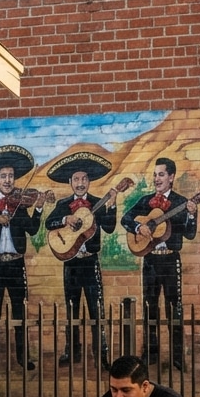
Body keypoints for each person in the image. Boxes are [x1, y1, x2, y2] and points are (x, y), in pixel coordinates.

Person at [122, 157, 199, 371]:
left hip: (170, 259)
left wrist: (192, 215)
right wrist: (139, 228)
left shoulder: (182, 202)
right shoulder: (146, 201)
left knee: (174, 308)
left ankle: (176, 357)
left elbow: (190, 234)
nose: (157, 179)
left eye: (161, 174)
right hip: (150, 259)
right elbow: (125, 219)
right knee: (150, 308)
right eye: (155, 174)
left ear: (171, 177)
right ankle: (150, 354)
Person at [0, 145, 44, 370]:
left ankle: (23, 358)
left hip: (15, 263)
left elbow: (32, 229)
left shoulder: (21, 202)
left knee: (19, 311)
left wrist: (39, 209)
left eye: (11, 176)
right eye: (3, 176)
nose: (8, 180)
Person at [45, 151, 117, 368]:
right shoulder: (64, 204)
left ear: (89, 181)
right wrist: (66, 218)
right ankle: (72, 352)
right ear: (70, 182)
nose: (80, 183)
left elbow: (110, 227)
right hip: (71, 264)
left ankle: (101, 354)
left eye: (84, 179)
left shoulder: (97, 202)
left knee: (97, 309)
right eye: (76, 179)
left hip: (90, 261)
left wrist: (112, 204)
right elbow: (49, 224)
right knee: (71, 309)